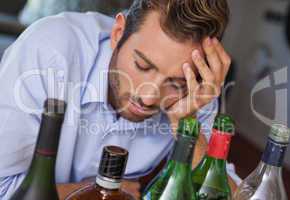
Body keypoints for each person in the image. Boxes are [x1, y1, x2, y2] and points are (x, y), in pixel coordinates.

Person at [0, 0, 240, 199]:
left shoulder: (196, 92)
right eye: (142, 65)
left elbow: (229, 195)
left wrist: (188, 128)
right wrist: (102, 191)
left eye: (174, 84)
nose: (148, 98)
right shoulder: (49, 51)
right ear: (118, 33)